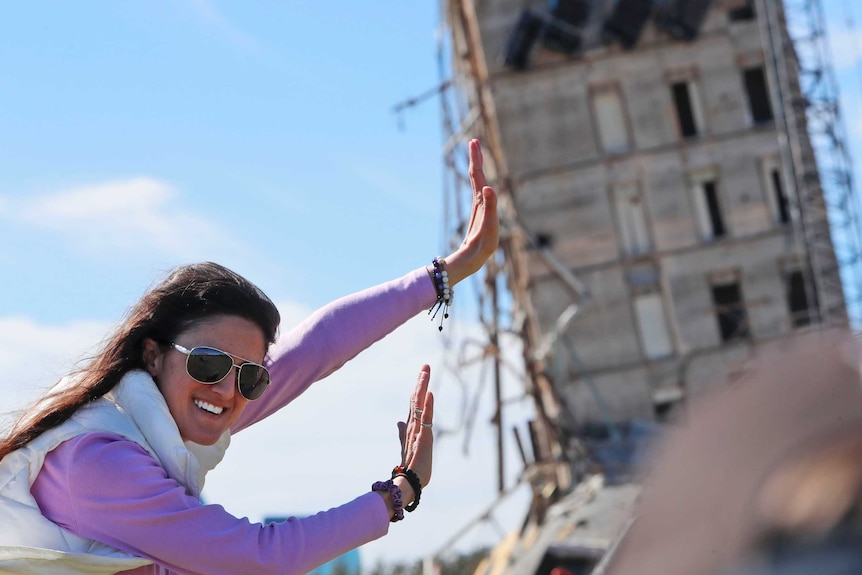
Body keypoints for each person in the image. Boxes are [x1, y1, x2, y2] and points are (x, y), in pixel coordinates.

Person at [0, 139, 499, 575]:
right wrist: (399, 492)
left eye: (251, 378)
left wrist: (446, 273)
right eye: (208, 363)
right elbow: (263, 559)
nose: (227, 390)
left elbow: (314, 350)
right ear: (153, 356)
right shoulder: (99, 462)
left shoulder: (152, 414)